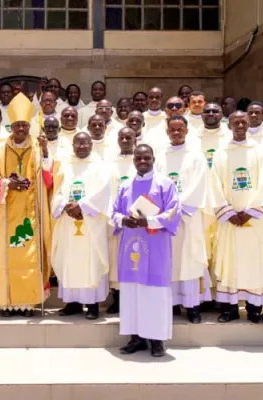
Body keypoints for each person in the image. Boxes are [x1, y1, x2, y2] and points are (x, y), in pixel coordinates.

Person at [0, 93, 52, 317]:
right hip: (5, 214)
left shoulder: (38, 149)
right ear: (11, 126)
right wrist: (7, 182)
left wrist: (46, 152)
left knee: (29, 256)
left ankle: (28, 302)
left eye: (25, 126)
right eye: (17, 125)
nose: (21, 129)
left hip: (31, 215)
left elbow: (49, 179)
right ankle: (5, 303)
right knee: (4, 257)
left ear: (29, 127)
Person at [113, 144, 180, 357]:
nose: (143, 162)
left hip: (155, 247)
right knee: (133, 293)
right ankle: (136, 338)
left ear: (153, 158)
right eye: (138, 158)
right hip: (131, 247)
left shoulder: (165, 184)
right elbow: (113, 212)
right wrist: (123, 219)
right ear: (133, 160)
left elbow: (173, 212)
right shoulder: (125, 186)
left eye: (146, 158)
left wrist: (148, 221)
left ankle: (157, 340)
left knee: (154, 294)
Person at [211, 111, 263, 324]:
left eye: (243, 122)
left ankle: (254, 309)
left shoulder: (260, 152)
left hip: (252, 222)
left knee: (254, 265)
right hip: (231, 222)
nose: (239, 125)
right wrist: (228, 212)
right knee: (230, 264)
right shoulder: (221, 153)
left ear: (249, 124)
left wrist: (249, 212)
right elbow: (214, 184)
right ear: (229, 126)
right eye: (235, 122)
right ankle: (230, 309)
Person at [155, 116, 210, 323]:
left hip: (188, 218)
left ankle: (193, 307)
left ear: (187, 131)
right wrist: (167, 211)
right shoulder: (160, 157)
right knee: (169, 262)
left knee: (189, 260)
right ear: (167, 131)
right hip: (166, 221)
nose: (176, 133)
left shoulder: (196, 157)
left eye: (180, 129)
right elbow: (156, 187)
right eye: (172, 130)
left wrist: (175, 207)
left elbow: (199, 186)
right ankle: (172, 304)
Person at [52, 132, 111, 320]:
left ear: (91, 145)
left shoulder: (100, 166)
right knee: (70, 261)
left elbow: (104, 191)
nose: (82, 147)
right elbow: (57, 190)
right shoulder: (65, 166)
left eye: (86, 143)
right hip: (69, 223)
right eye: (78, 143)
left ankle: (93, 304)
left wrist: (82, 206)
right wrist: (63, 205)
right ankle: (73, 303)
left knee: (91, 262)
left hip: (91, 224)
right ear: (73, 145)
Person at [195, 103, 231, 277]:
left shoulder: (230, 137)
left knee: (223, 245)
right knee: (202, 245)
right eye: (207, 111)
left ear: (222, 114)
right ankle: (204, 293)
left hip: (224, 198)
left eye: (214, 111)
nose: (210, 114)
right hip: (201, 200)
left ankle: (223, 294)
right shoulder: (193, 138)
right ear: (201, 115)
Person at [106, 127, 137, 314]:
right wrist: (116, 216)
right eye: (122, 137)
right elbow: (106, 191)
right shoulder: (110, 163)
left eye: (129, 137)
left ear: (135, 139)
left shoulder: (141, 161)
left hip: (137, 222)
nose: (125, 140)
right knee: (116, 260)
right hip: (117, 220)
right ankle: (117, 299)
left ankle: (134, 298)